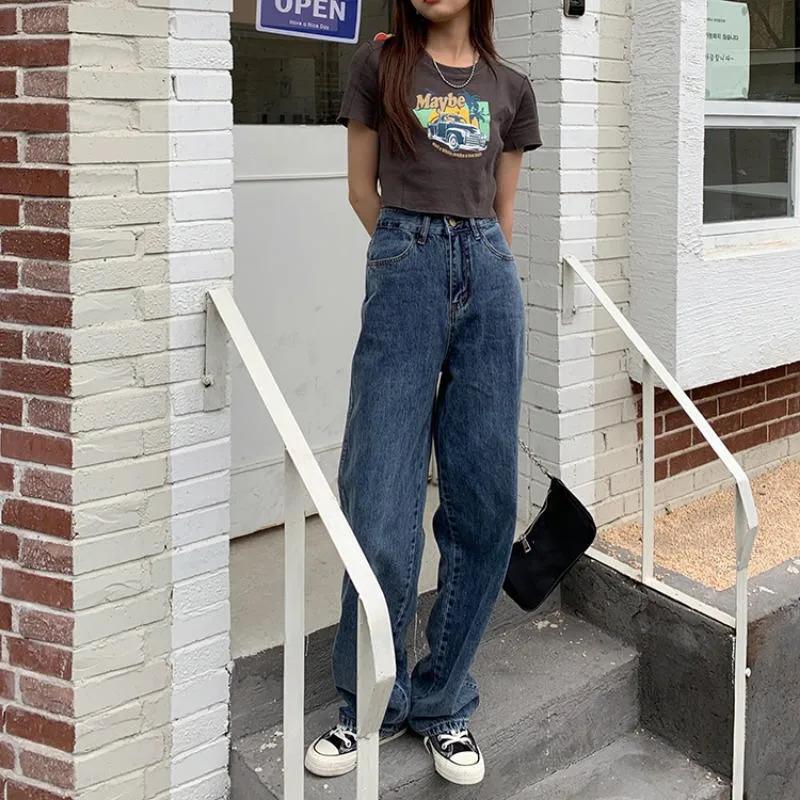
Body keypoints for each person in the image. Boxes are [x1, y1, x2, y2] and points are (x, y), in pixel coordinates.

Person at [304, 0, 541, 786]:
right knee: (378, 496)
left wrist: (477, 274)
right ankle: (368, 701)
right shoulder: (379, 65)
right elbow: (360, 190)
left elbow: (503, 213)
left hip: (489, 275)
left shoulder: (511, 86)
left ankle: (443, 701)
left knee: (485, 502)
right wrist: (412, 258)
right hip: (405, 259)